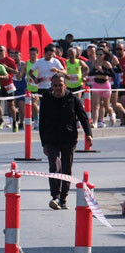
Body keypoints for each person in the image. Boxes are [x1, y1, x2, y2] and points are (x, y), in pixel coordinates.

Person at [39, 74, 93, 210]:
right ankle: (55, 197)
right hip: (51, 139)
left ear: (65, 85)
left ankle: (63, 198)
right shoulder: (46, 99)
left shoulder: (72, 98)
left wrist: (89, 134)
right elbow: (42, 122)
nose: (57, 88)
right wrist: (43, 143)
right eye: (55, 85)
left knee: (66, 168)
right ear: (51, 86)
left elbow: (83, 117)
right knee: (54, 167)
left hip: (68, 138)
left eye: (60, 85)